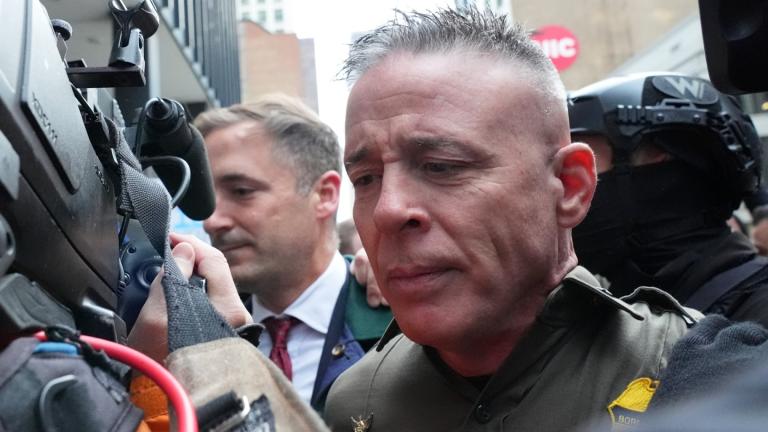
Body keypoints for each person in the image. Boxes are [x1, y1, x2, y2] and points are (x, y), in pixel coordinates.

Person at [323, 8, 698, 432]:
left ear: (569, 187)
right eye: (366, 178)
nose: (387, 210)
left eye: (441, 166)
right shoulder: (357, 403)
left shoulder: (696, 375)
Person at [192, 94, 391, 411]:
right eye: (209, 198)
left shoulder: (400, 323)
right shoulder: (194, 336)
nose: (211, 221)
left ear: (324, 195)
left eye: (242, 192)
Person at [568, 73, 768, 326]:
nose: (564, 189)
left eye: (583, 164)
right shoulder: (603, 314)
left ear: (660, 163)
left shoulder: (758, 315)